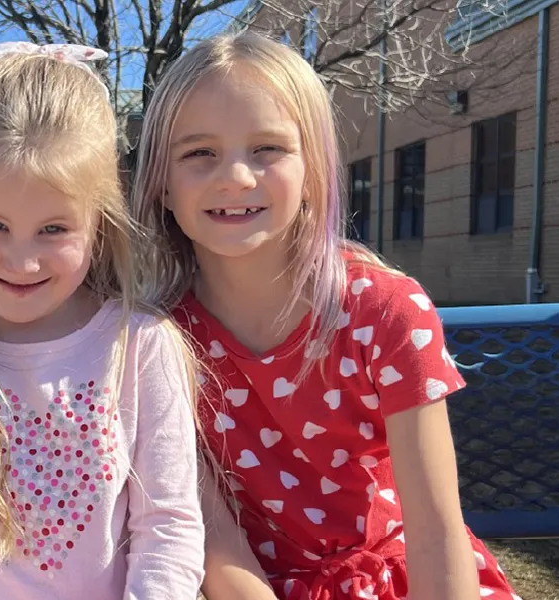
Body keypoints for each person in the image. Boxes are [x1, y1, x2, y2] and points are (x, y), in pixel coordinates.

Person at [128, 31, 519, 600]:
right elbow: (214, 537)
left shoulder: (384, 311)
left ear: (314, 170)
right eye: (198, 152)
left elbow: (435, 529)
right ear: (160, 183)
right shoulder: (157, 337)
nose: (235, 175)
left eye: (268, 148)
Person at [0, 42, 207, 600]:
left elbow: (167, 526)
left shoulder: (141, 344)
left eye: (54, 230)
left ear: (98, 226)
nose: (22, 261)